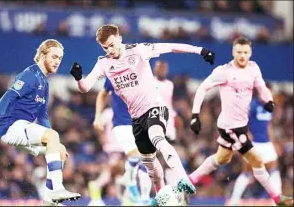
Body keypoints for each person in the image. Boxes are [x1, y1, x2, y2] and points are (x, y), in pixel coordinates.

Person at [69, 24, 215, 205]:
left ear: (120, 38)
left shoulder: (139, 50)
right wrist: (78, 78)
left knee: (157, 137)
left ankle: (182, 179)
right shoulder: (104, 63)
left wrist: (200, 50)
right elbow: (86, 87)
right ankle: (160, 196)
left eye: (112, 45)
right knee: (150, 164)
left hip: (155, 108)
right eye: (106, 47)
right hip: (136, 119)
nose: (110, 50)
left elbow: (170, 47)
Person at [188, 36, 293, 206]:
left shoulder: (253, 69)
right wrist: (195, 115)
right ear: (233, 52)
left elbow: (261, 86)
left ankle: (188, 182)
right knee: (257, 162)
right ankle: (277, 199)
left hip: (239, 126)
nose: (242, 56)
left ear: (250, 53)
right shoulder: (224, 71)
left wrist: (269, 101)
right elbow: (202, 88)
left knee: (221, 158)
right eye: (239, 52)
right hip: (231, 127)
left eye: (245, 52)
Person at [0, 39, 81, 206]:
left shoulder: (44, 82)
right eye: (54, 57)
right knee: (53, 137)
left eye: (60, 58)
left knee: (59, 149)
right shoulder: (30, 75)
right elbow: (8, 96)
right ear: (43, 55)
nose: (57, 61)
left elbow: (43, 116)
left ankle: (49, 201)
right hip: (11, 126)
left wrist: (54, 141)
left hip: (21, 128)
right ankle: (58, 188)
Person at [90, 78, 152, 205]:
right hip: (115, 147)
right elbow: (98, 125)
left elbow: (98, 126)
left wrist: (102, 138)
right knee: (113, 171)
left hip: (116, 146)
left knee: (123, 172)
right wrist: (103, 139)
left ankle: (125, 199)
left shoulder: (110, 112)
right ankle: (96, 188)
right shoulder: (109, 113)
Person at [229, 82, 283, 205]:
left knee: (273, 170)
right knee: (248, 173)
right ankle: (234, 200)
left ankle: (277, 201)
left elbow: (268, 127)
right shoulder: (252, 105)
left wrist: (273, 143)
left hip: (266, 143)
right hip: (255, 144)